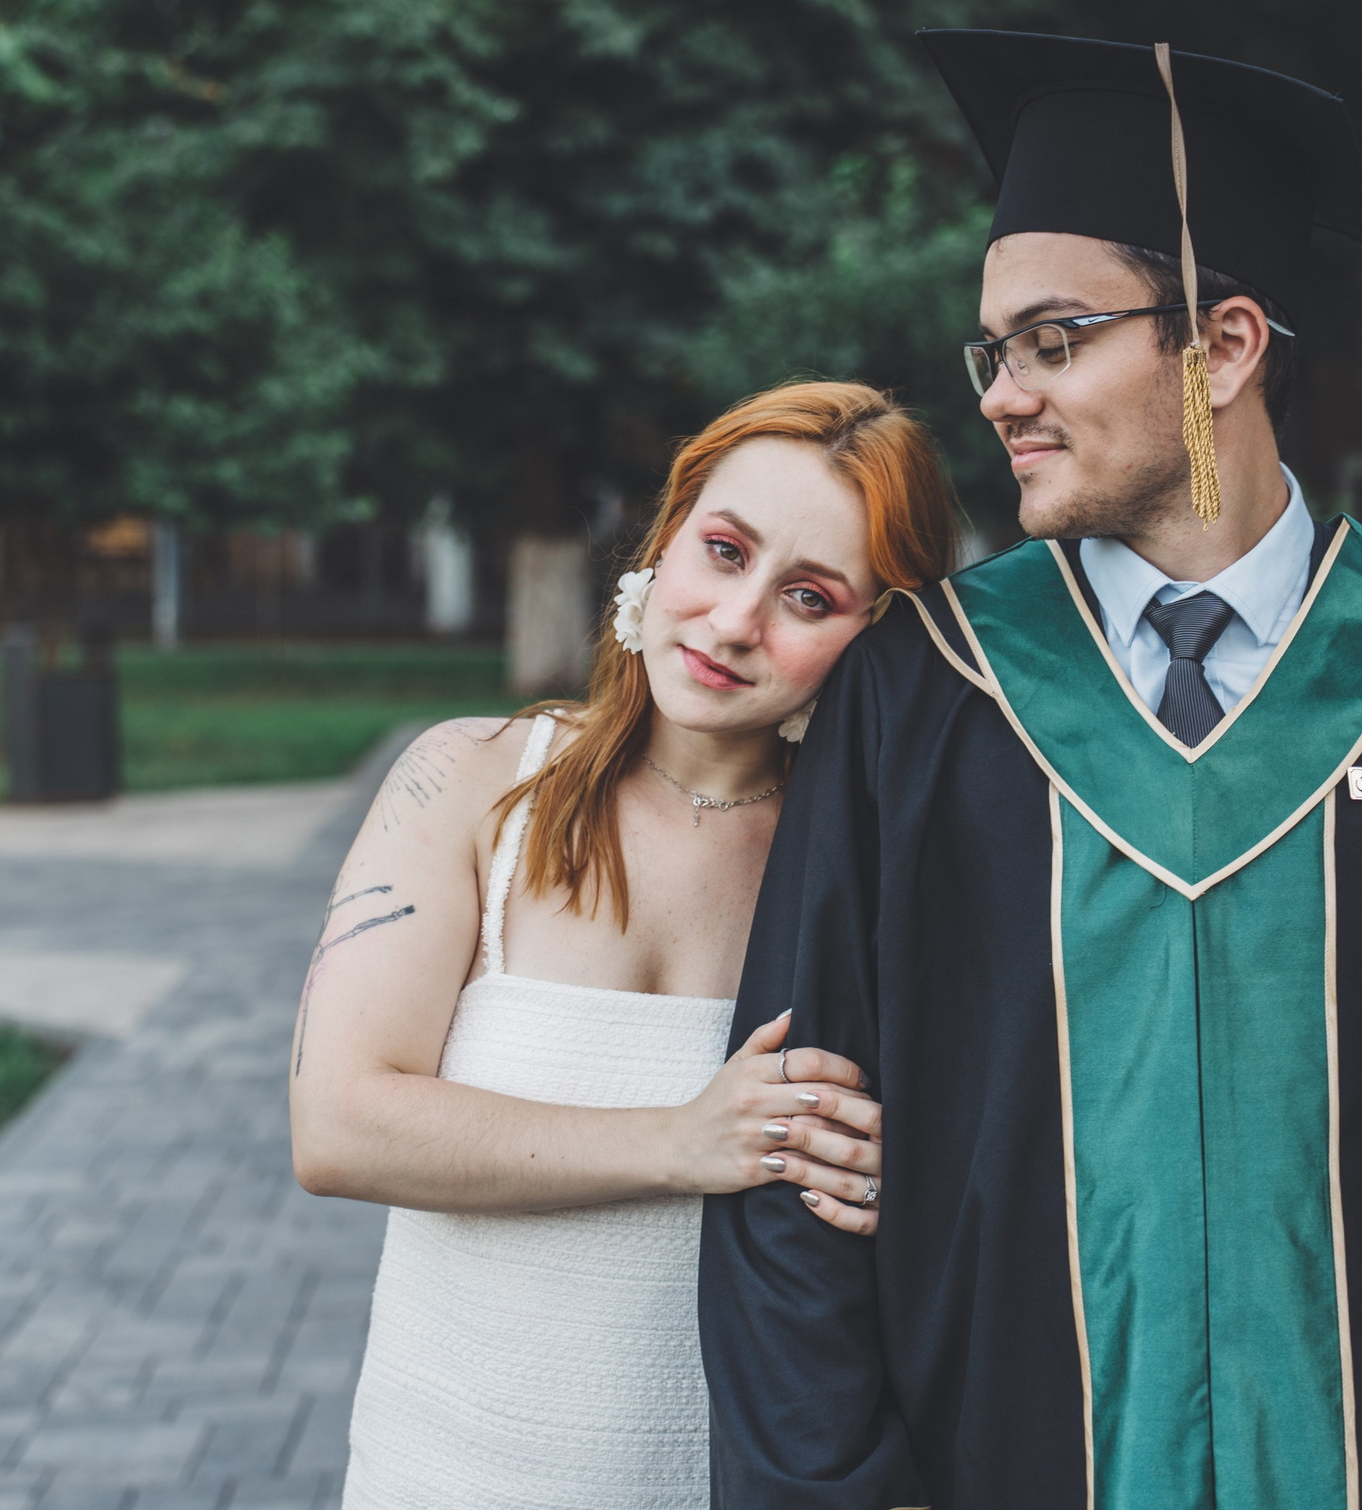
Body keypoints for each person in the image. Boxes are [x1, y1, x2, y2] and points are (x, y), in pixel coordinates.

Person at [702, 33, 1362, 1509]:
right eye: (993, 351)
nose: (1001, 395)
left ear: (1223, 347)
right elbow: (800, 1164)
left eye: (1054, 340)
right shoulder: (923, 693)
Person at [292, 382, 956, 1508]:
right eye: (724, 550)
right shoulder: (471, 780)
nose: (735, 621)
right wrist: (681, 1140)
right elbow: (338, 1125)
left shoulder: (878, 871)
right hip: (444, 1474)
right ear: (665, 538)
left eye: (808, 596)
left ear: (875, 635)